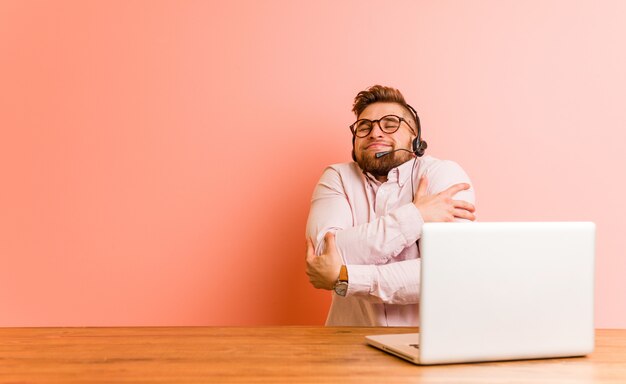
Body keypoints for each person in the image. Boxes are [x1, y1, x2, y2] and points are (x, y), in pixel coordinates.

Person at [305, 85, 476, 326]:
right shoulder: (337, 178)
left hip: (426, 344)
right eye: (365, 127)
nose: (375, 133)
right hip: (346, 348)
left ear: (415, 138)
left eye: (390, 124)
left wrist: (345, 276)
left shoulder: (443, 174)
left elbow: (446, 272)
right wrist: (416, 216)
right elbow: (326, 253)